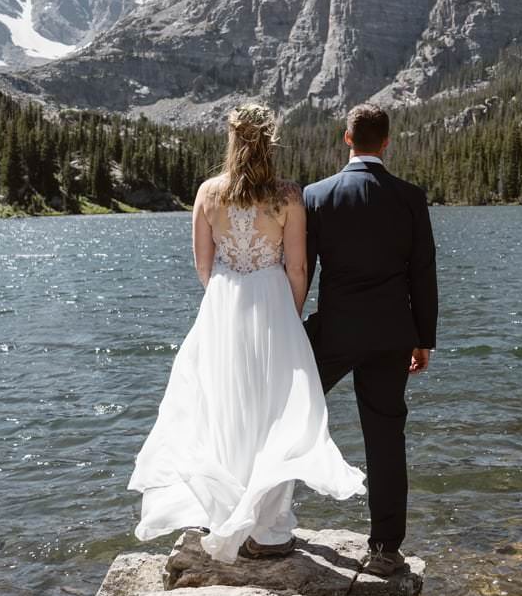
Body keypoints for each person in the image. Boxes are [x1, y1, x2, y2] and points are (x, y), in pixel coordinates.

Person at [129, 103, 364, 562]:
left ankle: (227, 512)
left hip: (223, 305)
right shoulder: (287, 195)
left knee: (221, 406)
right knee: (277, 410)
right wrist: (288, 313)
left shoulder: (208, 193)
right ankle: (268, 530)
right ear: (269, 141)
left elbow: (202, 264)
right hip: (275, 304)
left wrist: (225, 298)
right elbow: (297, 267)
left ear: (232, 140)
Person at [303, 102, 437, 577]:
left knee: (284, 411)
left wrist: (287, 329)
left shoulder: (317, 195)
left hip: (333, 331)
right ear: (386, 142)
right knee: (385, 438)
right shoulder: (409, 197)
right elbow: (422, 273)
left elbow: (301, 271)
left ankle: (263, 525)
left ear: (347, 139)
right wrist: (423, 338)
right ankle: (385, 549)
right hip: (391, 334)